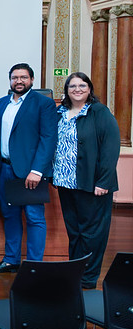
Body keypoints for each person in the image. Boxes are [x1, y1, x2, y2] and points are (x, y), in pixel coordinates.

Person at [52, 72, 120, 289]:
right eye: (72, 86)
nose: (77, 89)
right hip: (65, 182)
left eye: (82, 85)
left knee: (93, 234)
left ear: (89, 89)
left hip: (93, 184)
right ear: (66, 90)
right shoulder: (60, 113)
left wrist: (104, 182)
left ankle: (88, 278)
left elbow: (111, 150)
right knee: (75, 232)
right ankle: (75, 272)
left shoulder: (100, 113)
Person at [0, 63, 57, 273]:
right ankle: (11, 259)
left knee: (34, 218)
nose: (19, 81)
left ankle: (34, 264)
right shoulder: (1, 104)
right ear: (10, 80)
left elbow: (48, 138)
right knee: (9, 215)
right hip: (4, 170)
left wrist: (37, 170)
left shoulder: (43, 104)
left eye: (23, 77)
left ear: (32, 80)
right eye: (15, 77)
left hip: (30, 173)